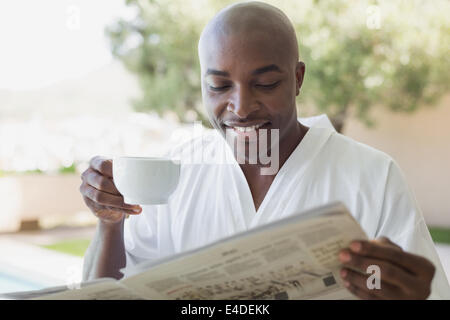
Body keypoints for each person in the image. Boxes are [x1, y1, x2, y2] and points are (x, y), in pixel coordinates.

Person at [79, 1, 450, 299]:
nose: (240, 107)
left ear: (298, 78)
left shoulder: (371, 174)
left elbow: (423, 290)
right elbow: (107, 291)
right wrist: (109, 223)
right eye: (219, 86)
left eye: (266, 83)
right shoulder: (173, 173)